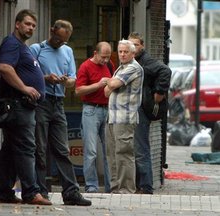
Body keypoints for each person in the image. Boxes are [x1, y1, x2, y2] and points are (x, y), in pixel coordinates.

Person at [0, 9, 52, 205]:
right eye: (27, 24)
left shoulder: (22, 46)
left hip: (24, 106)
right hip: (18, 105)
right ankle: (31, 193)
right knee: (27, 148)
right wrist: (25, 88)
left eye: (33, 25)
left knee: (10, 150)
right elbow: (5, 67)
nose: (31, 28)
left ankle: (3, 192)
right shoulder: (11, 43)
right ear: (17, 24)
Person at [30, 20, 92, 206]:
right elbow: (28, 76)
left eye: (64, 40)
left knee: (63, 150)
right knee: (40, 149)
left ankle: (71, 193)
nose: (60, 43)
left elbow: (73, 80)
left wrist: (66, 81)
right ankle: (41, 191)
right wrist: (46, 78)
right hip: (41, 102)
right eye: (57, 39)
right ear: (51, 31)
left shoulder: (68, 51)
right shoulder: (36, 49)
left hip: (58, 104)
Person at [128, 32, 171, 194]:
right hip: (133, 108)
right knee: (135, 148)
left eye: (136, 45)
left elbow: (165, 71)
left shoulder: (146, 61)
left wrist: (159, 93)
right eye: (130, 45)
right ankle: (139, 184)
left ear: (142, 46)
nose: (133, 48)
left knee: (141, 148)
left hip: (142, 109)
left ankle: (145, 186)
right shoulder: (133, 62)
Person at [104, 39, 144, 194]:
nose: (122, 54)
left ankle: (126, 190)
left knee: (124, 154)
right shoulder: (120, 69)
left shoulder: (134, 67)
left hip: (125, 118)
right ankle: (115, 189)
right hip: (112, 117)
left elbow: (111, 86)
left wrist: (109, 82)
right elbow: (106, 92)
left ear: (133, 53)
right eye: (120, 51)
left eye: (125, 51)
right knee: (112, 155)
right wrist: (110, 83)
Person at [75, 41, 113, 193]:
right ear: (95, 53)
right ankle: (91, 185)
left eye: (108, 57)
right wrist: (98, 85)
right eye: (103, 57)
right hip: (91, 109)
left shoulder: (110, 65)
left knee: (109, 150)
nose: (105, 60)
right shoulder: (85, 66)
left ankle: (111, 186)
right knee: (91, 151)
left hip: (107, 109)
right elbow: (78, 90)